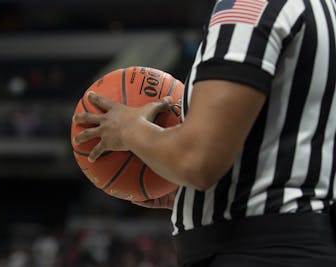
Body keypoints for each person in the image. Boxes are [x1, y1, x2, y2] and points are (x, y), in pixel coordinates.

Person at [73, 0, 336, 266]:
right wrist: (198, 198)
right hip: (296, 240)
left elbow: (196, 161)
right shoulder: (324, 10)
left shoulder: (252, 6)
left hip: (255, 249)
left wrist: (129, 129)